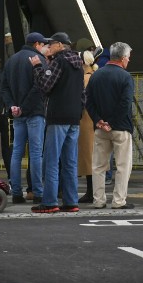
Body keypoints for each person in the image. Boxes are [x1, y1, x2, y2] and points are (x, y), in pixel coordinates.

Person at [30, 32, 85, 214]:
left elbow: (45, 85)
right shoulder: (79, 64)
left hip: (58, 117)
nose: (49, 47)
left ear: (60, 45)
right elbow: (83, 94)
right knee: (70, 162)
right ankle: (71, 201)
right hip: (74, 118)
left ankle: (50, 201)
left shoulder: (59, 62)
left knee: (51, 161)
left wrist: (38, 67)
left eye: (51, 44)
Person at [86, 42, 135, 209]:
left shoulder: (96, 75)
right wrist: (112, 123)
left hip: (100, 129)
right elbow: (125, 103)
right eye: (128, 58)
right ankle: (119, 201)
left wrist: (98, 120)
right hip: (121, 128)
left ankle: (98, 200)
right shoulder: (125, 77)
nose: (128, 60)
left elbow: (88, 101)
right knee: (123, 166)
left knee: (98, 166)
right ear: (122, 59)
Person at [1, 32, 49, 204]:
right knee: (36, 153)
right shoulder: (38, 60)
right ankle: (37, 191)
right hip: (34, 112)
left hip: (17, 114)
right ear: (36, 44)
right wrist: (24, 107)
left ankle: (16, 193)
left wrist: (13, 105)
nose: (45, 47)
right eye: (43, 44)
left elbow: (4, 87)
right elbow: (39, 87)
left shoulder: (11, 60)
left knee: (17, 153)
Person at [78, 47, 98, 203]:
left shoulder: (85, 78)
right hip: (95, 120)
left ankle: (91, 192)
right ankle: (93, 191)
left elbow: (82, 101)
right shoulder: (96, 76)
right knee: (93, 156)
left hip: (85, 120)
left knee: (87, 157)